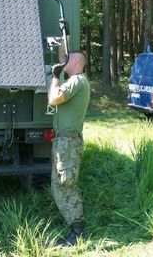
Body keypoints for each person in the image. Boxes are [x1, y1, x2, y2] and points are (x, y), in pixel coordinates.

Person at [47, 50, 90, 246]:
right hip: (64, 142)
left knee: (67, 186)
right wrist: (63, 38)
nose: (63, 61)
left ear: (76, 62)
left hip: (68, 144)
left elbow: (53, 99)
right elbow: (62, 56)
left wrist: (55, 76)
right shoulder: (77, 80)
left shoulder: (77, 81)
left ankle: (78, 233)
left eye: (67, 59)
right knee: (60, 187)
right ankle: (75, 229)